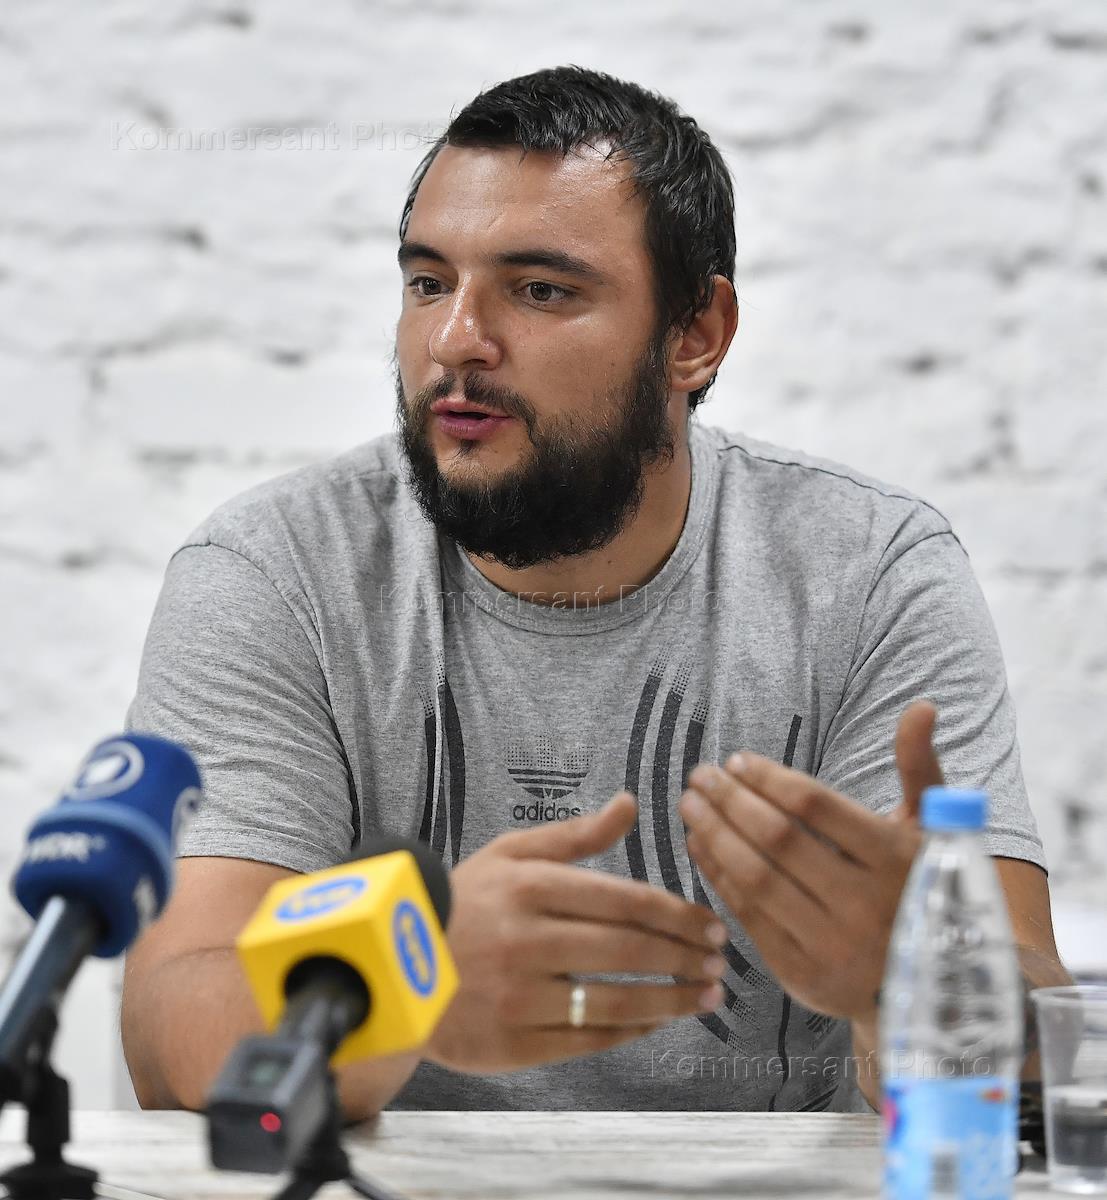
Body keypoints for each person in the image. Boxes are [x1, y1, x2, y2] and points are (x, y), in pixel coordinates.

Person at [120, 66, 1066, 1117]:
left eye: (540, 290)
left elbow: (1031, 1059)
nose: (455, 339)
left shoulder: (870, 572)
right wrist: (406, 978)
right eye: (428, 282)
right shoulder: (276, 572)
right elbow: (171, 1031)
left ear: (694, 334)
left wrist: (915, 980)